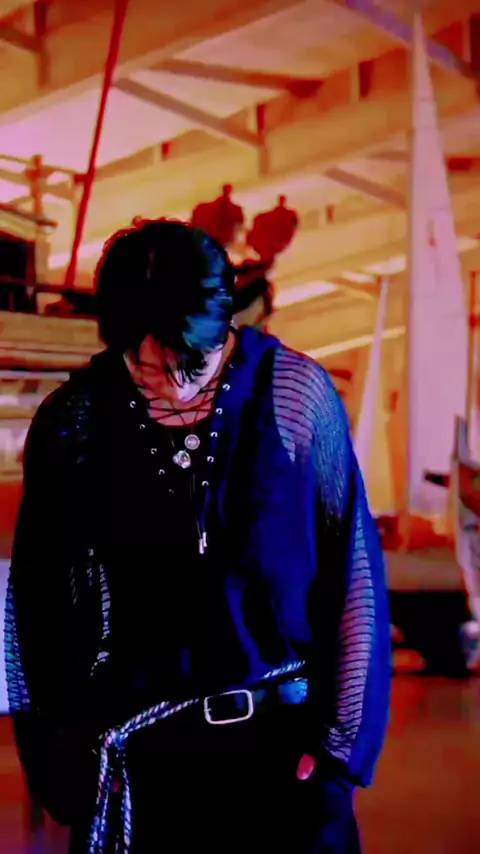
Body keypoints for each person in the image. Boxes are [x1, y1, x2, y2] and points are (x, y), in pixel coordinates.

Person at [5, 218, 391, 853]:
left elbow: (353, 573)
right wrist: (62, 759)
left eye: (196, 364)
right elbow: (36, 603)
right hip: (140, 767)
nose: (178, 386)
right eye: (149, 366)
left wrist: (337, 747)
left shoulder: (294, 397)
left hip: (283, 758)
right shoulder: (76, 421)